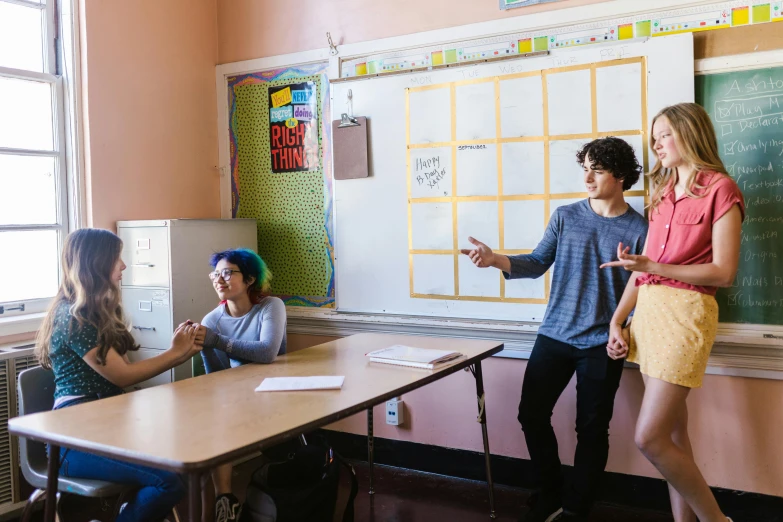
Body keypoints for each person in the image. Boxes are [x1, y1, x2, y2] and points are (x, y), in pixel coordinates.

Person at [462, 137, 648, 521]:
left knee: (592, 430)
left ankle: (577, 508)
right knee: (531, 414)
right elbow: (536, 261)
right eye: (585, 168)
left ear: (621, 176)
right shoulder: (565, 215)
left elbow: (645, 292)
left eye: (597, 170)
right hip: (555, 335)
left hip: (601, 343)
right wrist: (494, 258)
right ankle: (550, 492)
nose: (587, 177)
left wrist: (625, 331)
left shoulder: (640, 229)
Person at [602, 103, 743, 522]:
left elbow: (725, 271)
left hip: (687, 313)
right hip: (648, 313)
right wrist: (617, 320)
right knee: (675, 435)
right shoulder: (661, 195)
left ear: (689, 133)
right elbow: (640, 271)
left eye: (665, 134)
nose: (656, 144)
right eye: (655, 136)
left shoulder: (722, 189)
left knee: (650, 437)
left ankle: (716, 520)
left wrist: (653, 267)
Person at [34, 228, 201, 522]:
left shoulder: (101, 310)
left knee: (189, 462)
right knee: (170, 479)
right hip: (73, 442)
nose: (123, 265)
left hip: (109, 427)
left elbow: (124, 373)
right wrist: (176, 353)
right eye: (116, 259)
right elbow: (123, 376)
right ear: (95, 263)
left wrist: (182, 351)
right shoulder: (74, 316)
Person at [196, 248, 287, 522]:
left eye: (228, 273)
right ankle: (225, 500)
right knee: (216, 422)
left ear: (249, 279)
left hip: (277, 392)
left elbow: (267, 352)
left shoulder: (270, 306)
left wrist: (216, 341)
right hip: (238, 397)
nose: (219, 280)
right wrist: (204, 345)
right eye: (216, 273)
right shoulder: (212, 320)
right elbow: (216, 377)